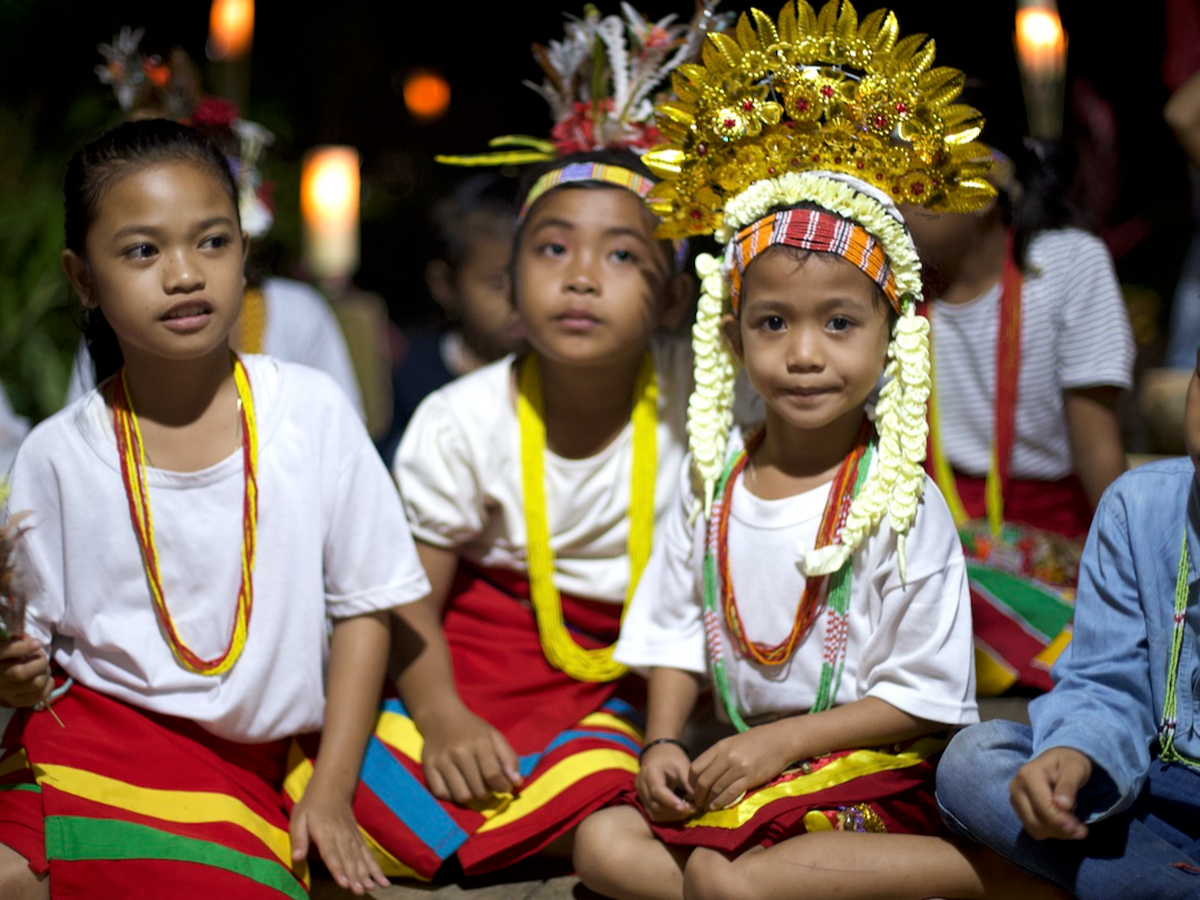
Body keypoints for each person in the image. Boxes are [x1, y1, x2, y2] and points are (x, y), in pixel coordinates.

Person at [571, 4, 1072, 899]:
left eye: (840, 322)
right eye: (773, 323)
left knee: (725, 879)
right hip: (745, 760)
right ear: (732, 336)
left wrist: (784, 743)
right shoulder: (714, 483)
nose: (804, 354)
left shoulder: (897, 499)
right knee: (602, 844)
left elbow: (925, 696)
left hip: (870, 770)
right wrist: (661, 741)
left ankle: (989, 875)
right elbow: (674, 629)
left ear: (892, 336)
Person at [0, 119, 430, 899]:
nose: (184, 274)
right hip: (106, 739)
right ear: (82, 278)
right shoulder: (58, 454)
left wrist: (331, 787)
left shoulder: (310, 412)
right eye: (142, 251)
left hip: (269, 751)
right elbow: (36, 652)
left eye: (212, 242)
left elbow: (366, 608)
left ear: (244, 251)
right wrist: (17, 680)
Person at [935, 345, 1200, 900]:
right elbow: (1107, 684)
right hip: (1149, 791)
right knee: (973, 762)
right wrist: (1076, 752)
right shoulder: (1138, 507)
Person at [377, 173, 523, 461]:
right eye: (497, 284)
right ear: (444, 285)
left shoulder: (561, 374)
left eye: (530, 279)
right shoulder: (411, 373)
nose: (519, 300)